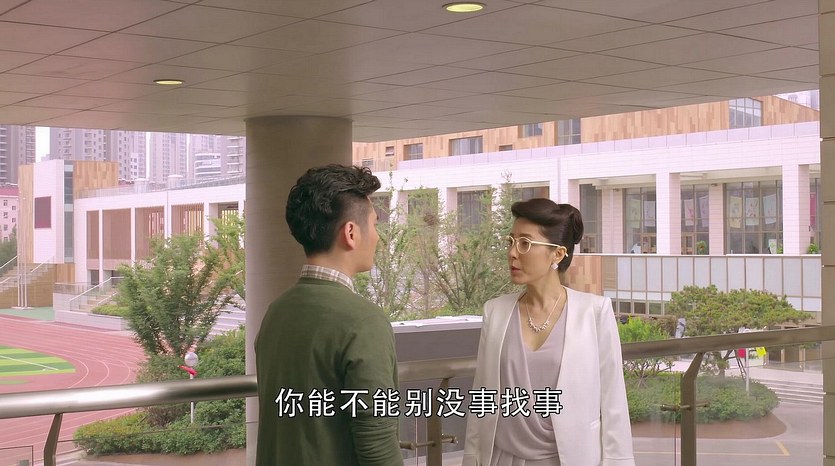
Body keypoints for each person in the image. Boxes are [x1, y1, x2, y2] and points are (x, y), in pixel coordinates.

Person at [463, 199, 634, 466]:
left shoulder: (594, 312)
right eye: (511, 241)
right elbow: (483, 396)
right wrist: (471, 458)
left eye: (525, 243)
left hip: (570, 459)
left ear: (557, 254)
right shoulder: (495, 312)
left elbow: (613, 403)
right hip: (501, 458)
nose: (512, 253)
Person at [255, 164, 403, 466]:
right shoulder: (364, 322)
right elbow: (377, 444)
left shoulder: (276, 312)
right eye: (374, 224)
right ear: (351, 233)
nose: (377, 236)